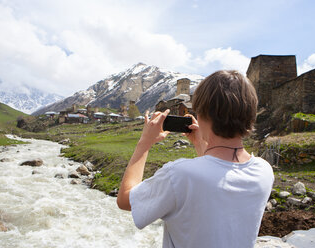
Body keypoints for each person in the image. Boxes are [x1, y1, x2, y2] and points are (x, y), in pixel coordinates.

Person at [117, 70, 274, 248]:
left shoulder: (179, 175)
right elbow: (217, 179)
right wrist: (201, 144)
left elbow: (125, 200)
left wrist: (144, 143)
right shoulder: (264, 170)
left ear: (202, 114)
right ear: (251, 115)